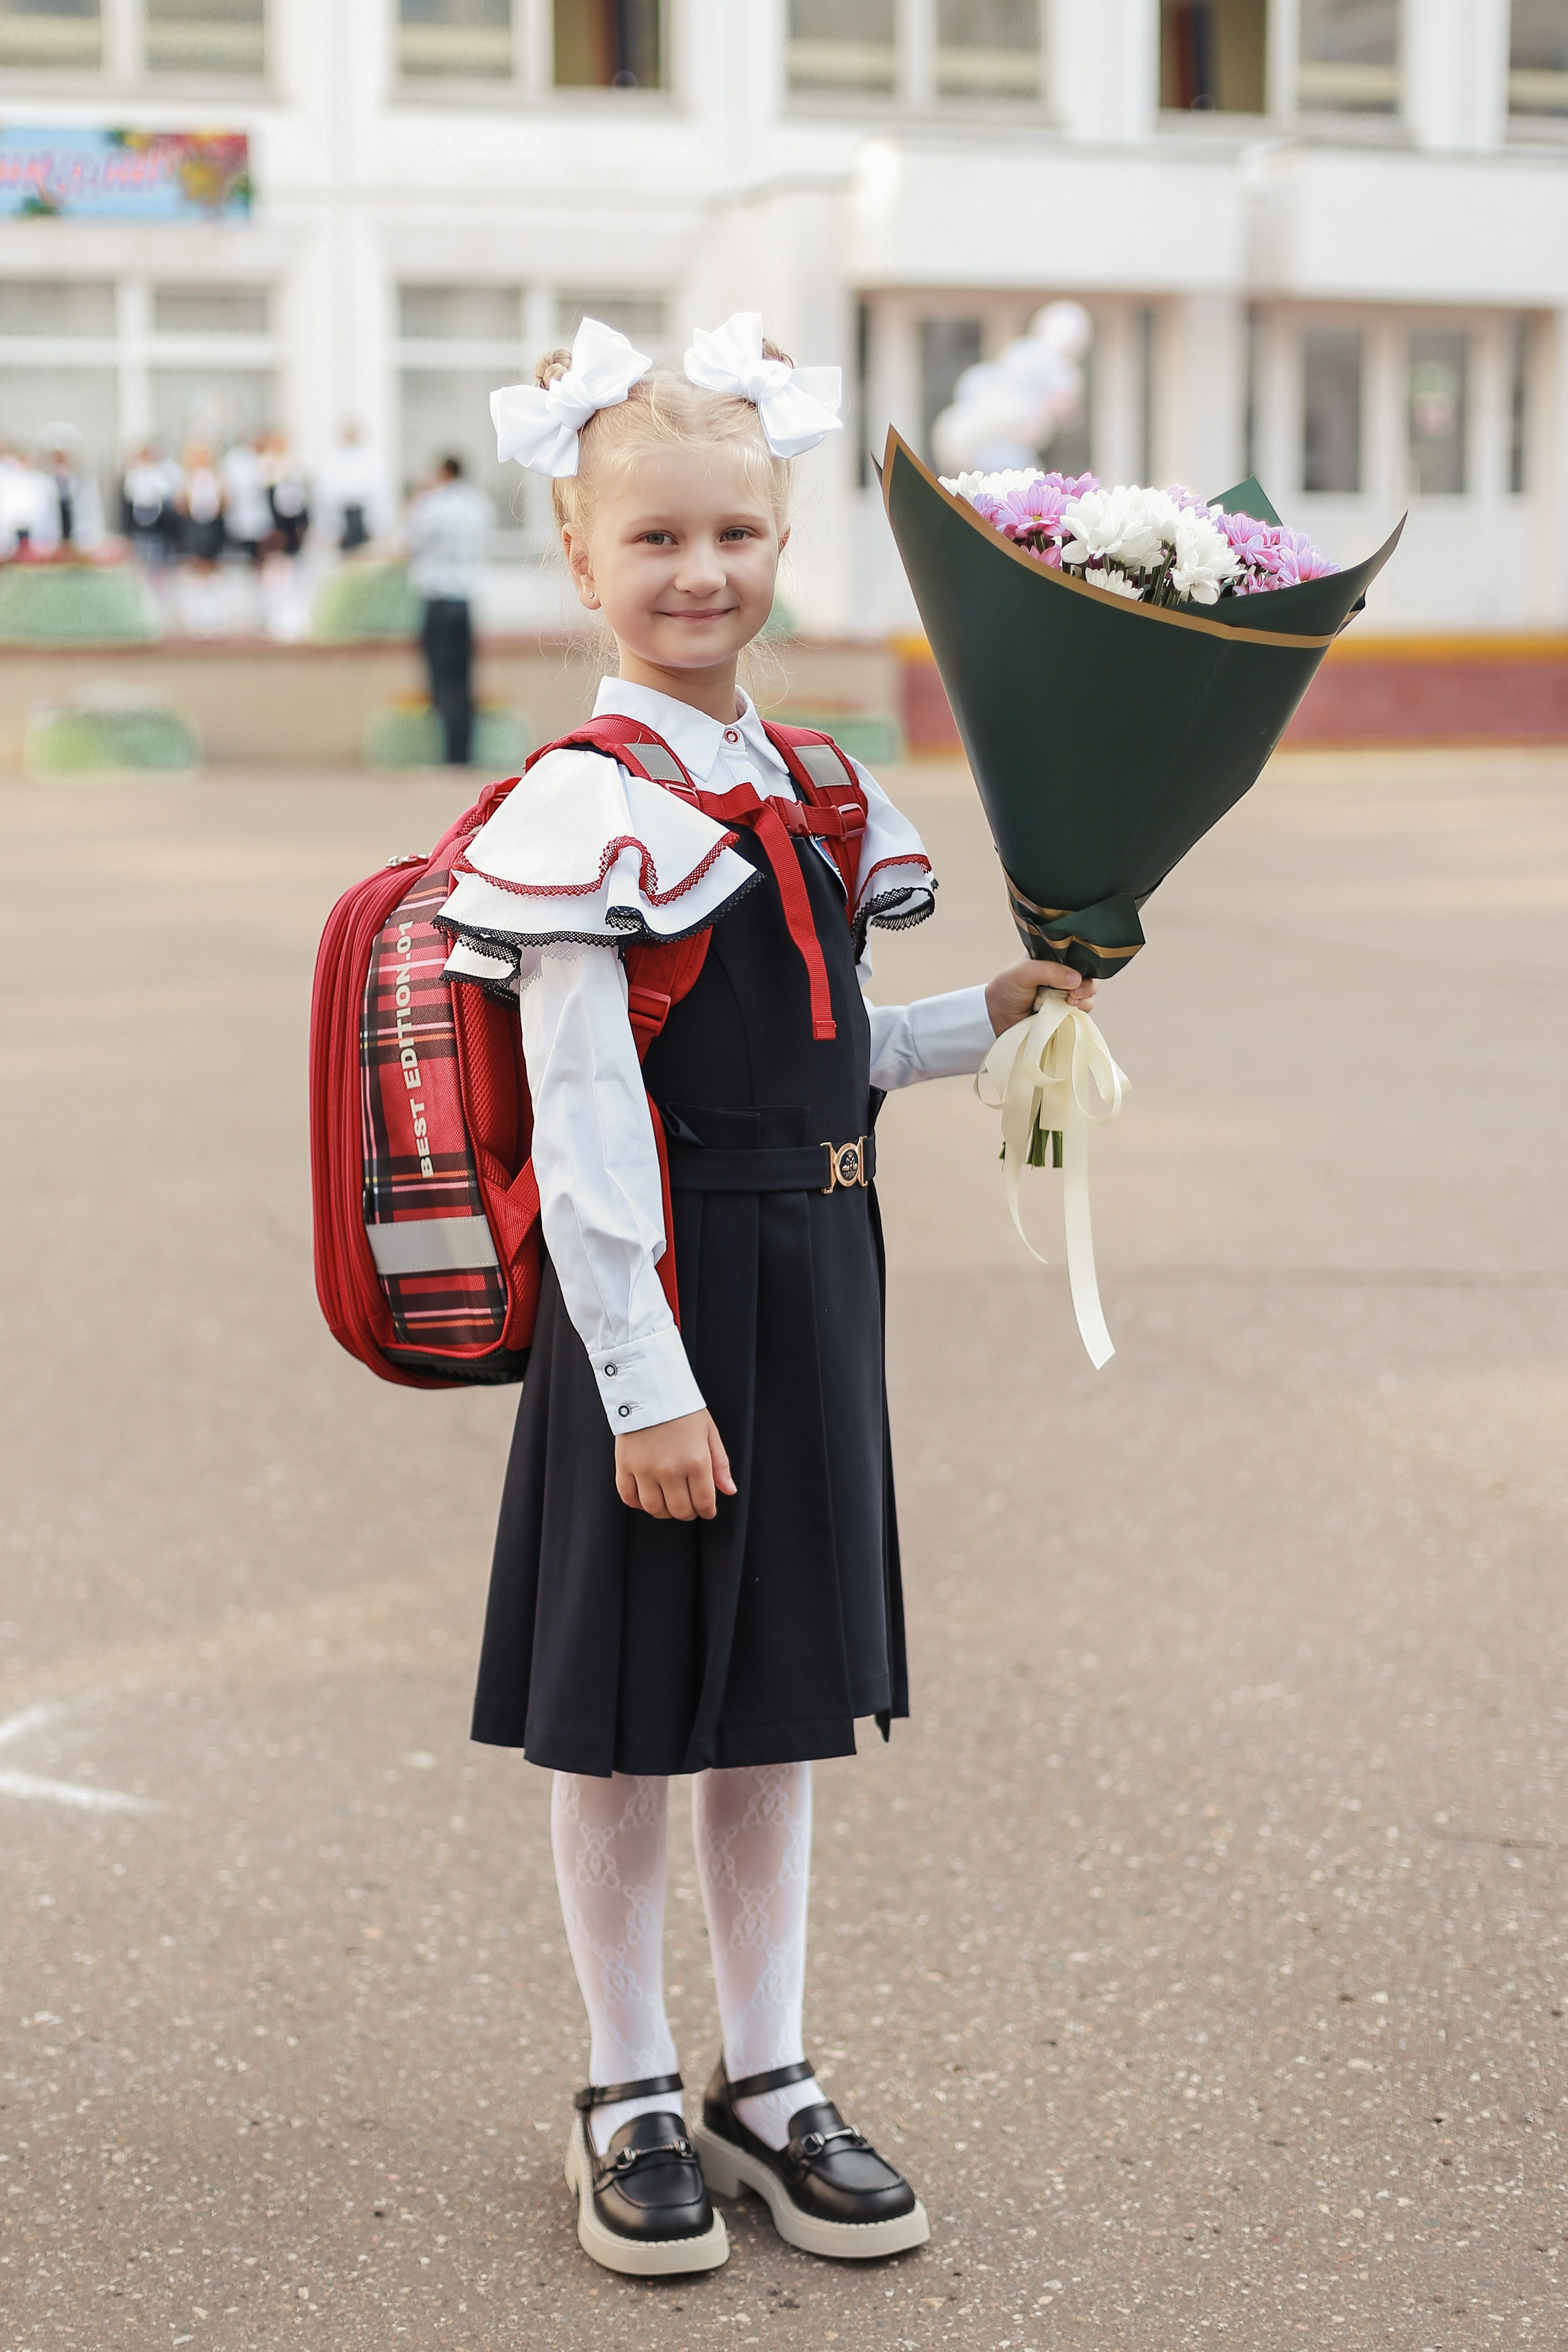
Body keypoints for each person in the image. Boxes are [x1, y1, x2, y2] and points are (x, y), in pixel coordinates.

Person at [436, 315, 1097, 2277]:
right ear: (580, 563)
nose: (699, 569)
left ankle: (769, 2069)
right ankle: (628, 2078)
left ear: (783, 533)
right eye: (652, 541)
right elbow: (583, 1120)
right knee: (633, 1714)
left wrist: (988, 1020)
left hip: (813, 1271)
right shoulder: (583, 803)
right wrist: (639, 1379)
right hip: (664, 1294)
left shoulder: (804, 779)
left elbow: (825, 1055)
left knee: (775, 1710)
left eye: (734, 529)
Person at [406, 453, 492, 765]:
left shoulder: (429, 506)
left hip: (437, 599)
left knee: (441, 678)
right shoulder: (479, 506)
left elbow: (411, 544)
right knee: (464, 677)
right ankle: (464, 752)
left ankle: (448, 752)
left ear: (442, 472)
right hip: (466, 599)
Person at [314, 420, 388, 552]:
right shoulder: (332, 458)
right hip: (341, 513)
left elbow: (380, 490)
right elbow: (326, 491)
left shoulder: (372, 457)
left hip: (364, 512)